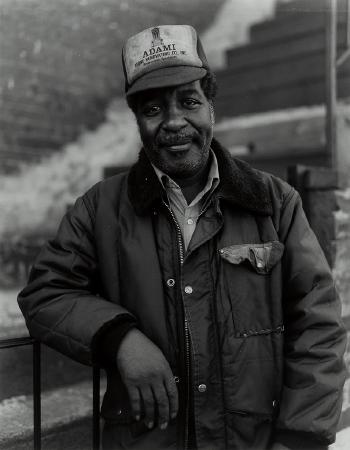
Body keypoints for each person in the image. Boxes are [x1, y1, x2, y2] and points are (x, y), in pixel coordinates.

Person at [18, 24, 346, 450]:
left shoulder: (274, 202)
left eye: (189, 102)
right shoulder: (99, 208)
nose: (174, 122)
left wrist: (298, 440)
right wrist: (120, 339)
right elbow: (45, 292)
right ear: (137, 119)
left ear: (211, 107)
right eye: (153, 109)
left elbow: (318, 324)